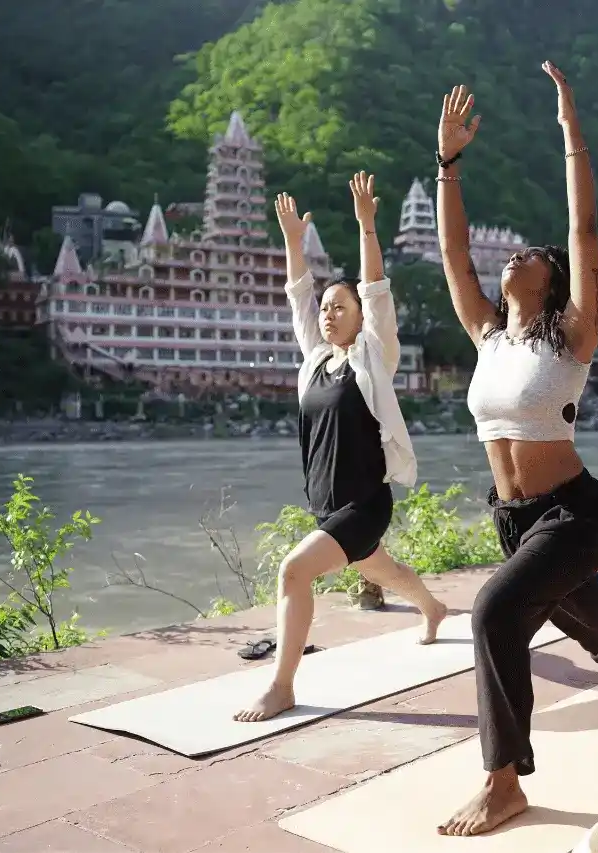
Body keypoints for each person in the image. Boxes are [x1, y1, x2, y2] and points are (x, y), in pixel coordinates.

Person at [432, 66, 598, 837]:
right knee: (576, 614)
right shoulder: (488, 334)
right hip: (514, 516)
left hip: (575, 512)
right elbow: (454, 251)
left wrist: (571, 134)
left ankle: (504, 782)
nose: (512, 258)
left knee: (495, 610)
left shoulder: (573, 336)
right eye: (510, 256)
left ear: (553, 276)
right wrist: (448, 164)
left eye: (530, 252)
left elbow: (585, 230)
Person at [234, 175, 449, 723]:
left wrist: (367, 226)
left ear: (359, 317)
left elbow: (376, 288)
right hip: (327, 502)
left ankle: (281, 686)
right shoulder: (314, 361)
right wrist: (292, 243)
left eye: (339, 307)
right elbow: (298, 296)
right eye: (326, 308)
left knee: (293, 572)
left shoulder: (375, 358)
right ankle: (432, 607)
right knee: (385, 572)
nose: (328, 314)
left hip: (365, 500)